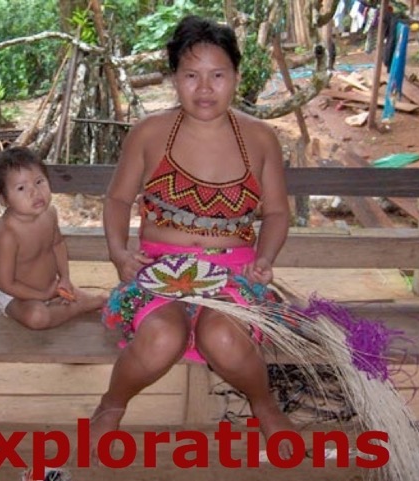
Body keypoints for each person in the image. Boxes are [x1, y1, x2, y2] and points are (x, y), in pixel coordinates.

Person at [95, 15, 296, 460]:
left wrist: (265, 259)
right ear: (174, 80)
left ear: (236, 77)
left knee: (221, 336)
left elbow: (279, 212)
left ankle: (264, 405)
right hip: (158, 270)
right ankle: (110, 406)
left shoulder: (261, 139)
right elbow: (117, 200)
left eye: (217, 75)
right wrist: (119, 254)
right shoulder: (149, 133)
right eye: (191, 75)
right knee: (162, 338)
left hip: (234, 272)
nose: (204, 89)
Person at [0, 146, 107, 330]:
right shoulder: (8, 234)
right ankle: (79, 306)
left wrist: (65, 279)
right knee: (37, 317)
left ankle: (80, 301)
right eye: (21, 188)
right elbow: (6, 284)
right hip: (19, 297)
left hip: (53, 288)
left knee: (103, 300)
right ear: (4, 200)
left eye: (39, 182)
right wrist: (42, 295)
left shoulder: (49, 214)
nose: (34, 192)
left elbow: (57, 244)